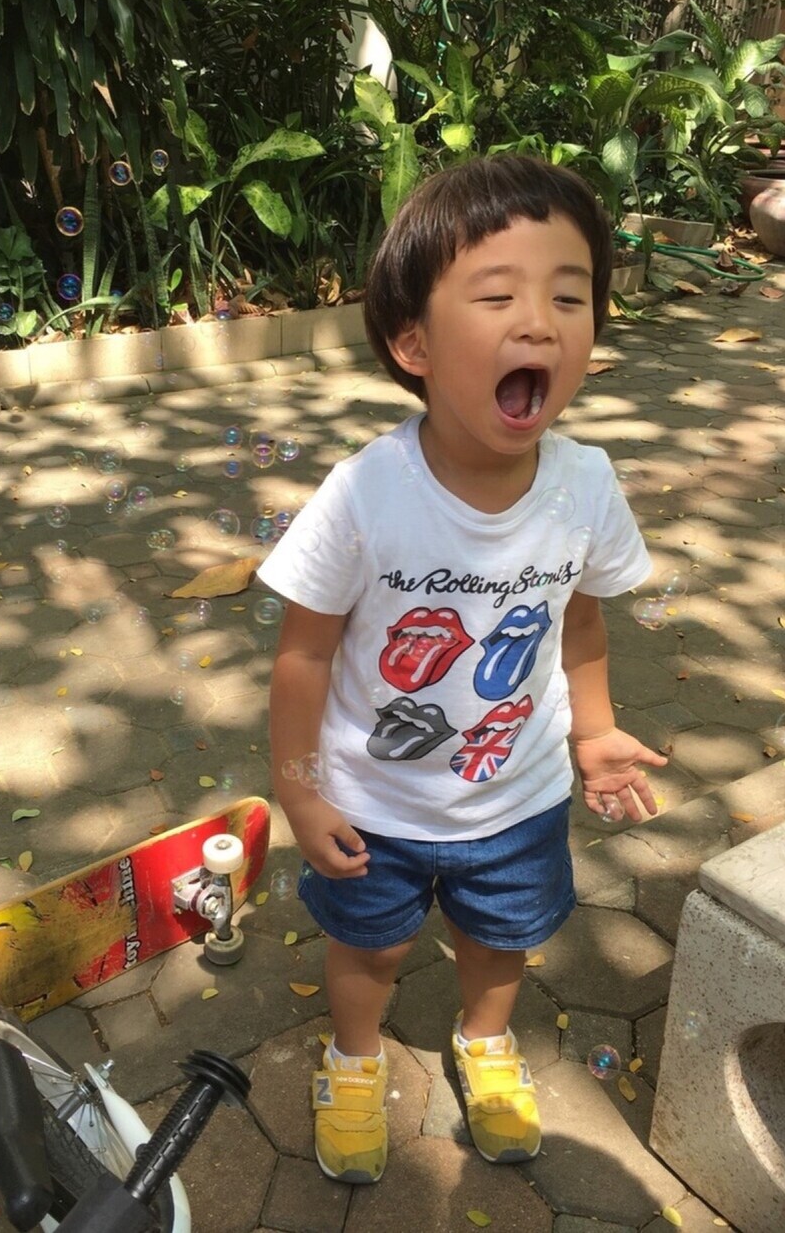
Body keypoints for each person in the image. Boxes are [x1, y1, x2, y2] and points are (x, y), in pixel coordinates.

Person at [255, 154, 668, 1185]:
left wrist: (594, 729)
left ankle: (485, 1042)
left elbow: (580, 619)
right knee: (370, 948)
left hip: (517, 794)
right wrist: (299, 791)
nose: (541, 324)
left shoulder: (585, 484)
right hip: (374, 801)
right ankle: (355, 1058)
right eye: (497, 297)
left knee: (500, 941)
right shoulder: (366, 493)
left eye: (568, 296)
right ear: (414, 344)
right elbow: (303, 653)